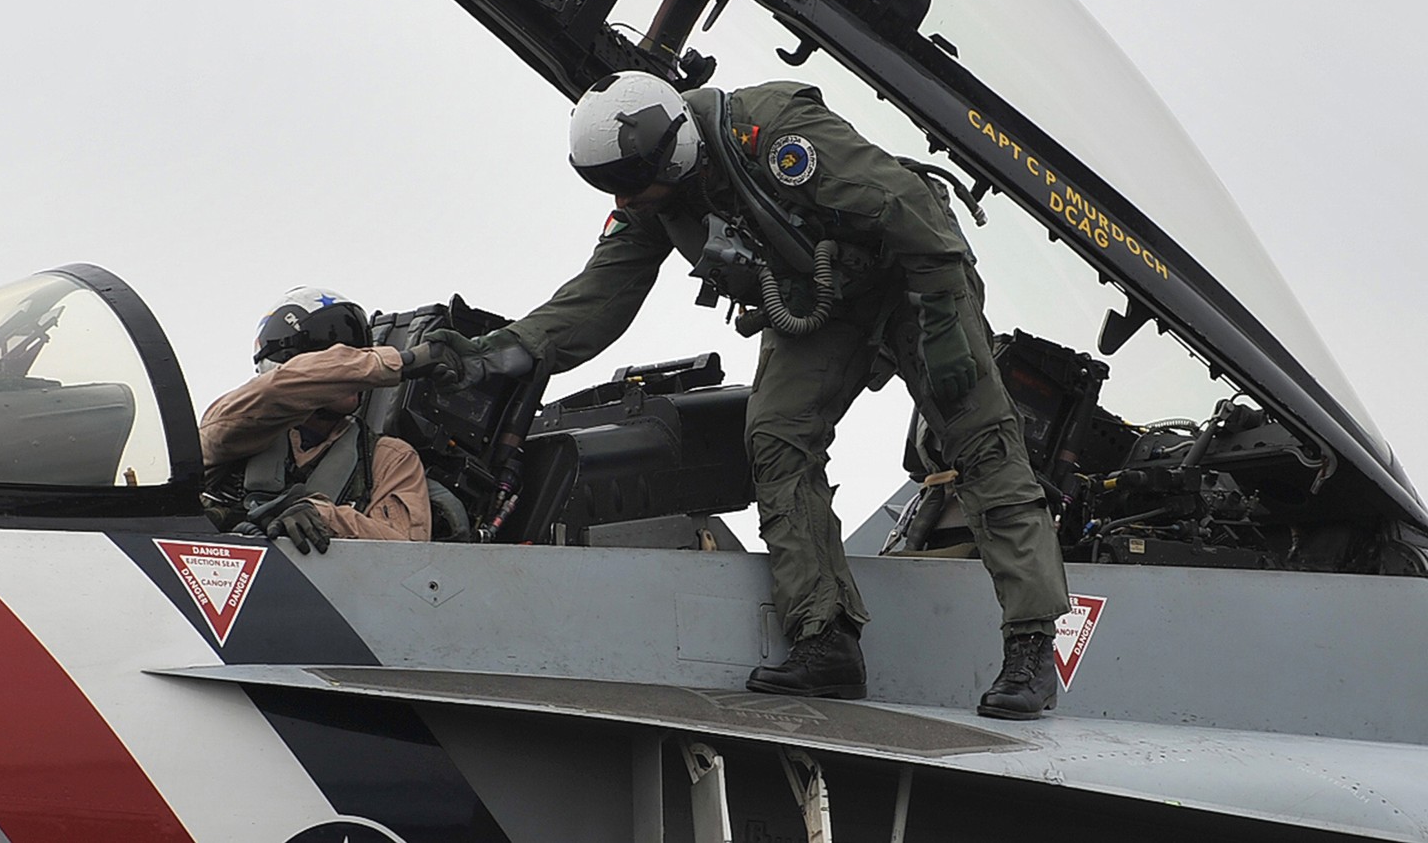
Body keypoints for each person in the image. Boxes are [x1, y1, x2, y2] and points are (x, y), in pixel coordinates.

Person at [426, 72, 1069, 720]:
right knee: (776, 439)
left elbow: (912, 211)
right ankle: (824, 641)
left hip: (915, 273)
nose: (628, 198)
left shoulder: (774, 134)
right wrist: (491, 355)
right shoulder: (652, 196)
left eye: (633, 182)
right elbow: (597, 300)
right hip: (821, 299)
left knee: (978, 436)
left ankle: (1032, 647)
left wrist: (939, 321)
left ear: (668, 150)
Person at [198, 286, 452, 553]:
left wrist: (323, 516)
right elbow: (277, 388)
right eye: (340, 360)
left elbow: (409, 554)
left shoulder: (388, 458)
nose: (355, 373)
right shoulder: (232, 425)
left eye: (359, 357)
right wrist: (402, 362)